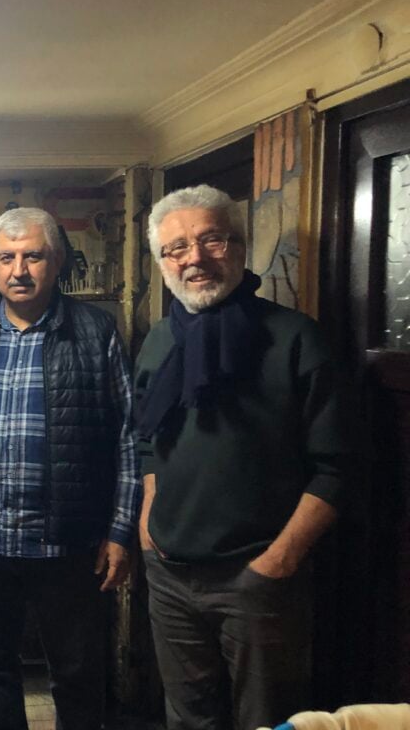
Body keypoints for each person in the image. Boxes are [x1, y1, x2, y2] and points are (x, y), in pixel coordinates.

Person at [134, 185, 350, 730]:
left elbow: (338, 468)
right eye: (176, 248)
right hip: (171, 573)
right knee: (188, 720)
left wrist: (275, 563)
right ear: (162, 262)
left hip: (256, 577)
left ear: (239, 245)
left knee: (270, 720)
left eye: (211, 239)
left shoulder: (295, 339)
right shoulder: (160, 340)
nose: (195, 258)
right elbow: (145, 442)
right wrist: (148, 527)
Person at [0, 207, 141, 730]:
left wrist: (121, 530)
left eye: (33, 256)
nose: (19, 270)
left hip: (66, 541)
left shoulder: (95, 331)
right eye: (6, 257)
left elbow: (129, 438)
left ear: (56, 261)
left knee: (78, 671)